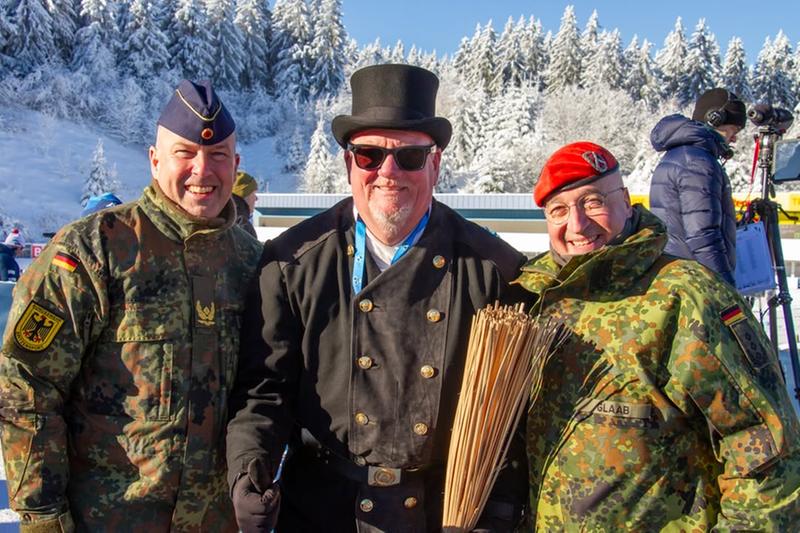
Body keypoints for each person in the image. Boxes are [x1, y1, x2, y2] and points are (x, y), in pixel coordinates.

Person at [226, 64, 529, 532]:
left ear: (435, 165)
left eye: (409, 157)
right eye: (369, 155)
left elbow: (510, 418)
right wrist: (249, 469)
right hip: (323, 512)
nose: (388, 172)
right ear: (349, 165)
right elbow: (264, 390)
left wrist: (497, 517)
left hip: (441, 514)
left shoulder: (494, 270)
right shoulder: (292, 262)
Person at [0, 80, 263, 532]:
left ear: (235, 164)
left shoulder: (252, 264)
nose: (202, 169)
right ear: (155, 160)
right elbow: (26, 384)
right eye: (185, 153)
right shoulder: (93, 251)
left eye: (218, 155)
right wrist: (43, 518)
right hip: (108, 520)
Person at [517, 141, 800, 530]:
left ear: (626, 202)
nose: (577, 224)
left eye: (593, 202)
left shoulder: (684, 295)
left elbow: (767, 453)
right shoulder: (537, 300)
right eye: (559, 210)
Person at [649, 87, 746, 286]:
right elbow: (703, 235)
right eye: (733, 130)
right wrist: (725, 287)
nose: (734, 138)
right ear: (715, 119)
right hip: (695, 280)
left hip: (683, 274)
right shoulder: (697, 163)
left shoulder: (684, 155)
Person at [231, 170, 258, 237]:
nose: (256, 198)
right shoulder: (241, 224)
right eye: (254, 194)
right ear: (245, 195)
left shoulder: (223, 219)